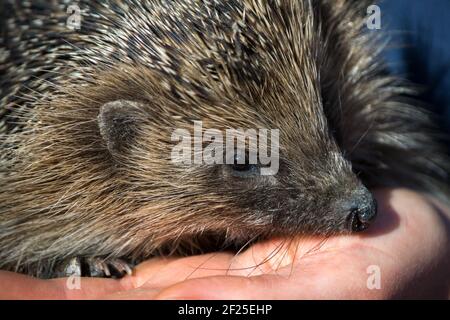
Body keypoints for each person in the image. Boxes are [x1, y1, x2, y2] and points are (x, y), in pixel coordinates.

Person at [1, 1, 449, 299]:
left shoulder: (341, 41)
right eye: (244, 163)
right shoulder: (49, 201)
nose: (359, 203)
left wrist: (439, 223)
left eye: (324, 111)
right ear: (128, 139)